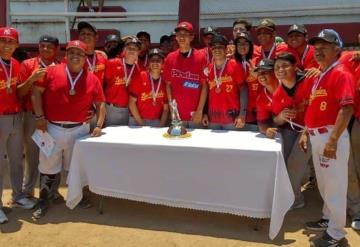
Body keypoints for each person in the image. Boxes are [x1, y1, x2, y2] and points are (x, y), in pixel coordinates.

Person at [31, 40, 106, 219]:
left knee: (75, 167)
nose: (75, 56)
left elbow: (100, 103)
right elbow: (35, 92)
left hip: (79, 130)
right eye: (71, 52)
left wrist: (99, 124)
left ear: (85, 58)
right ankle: (44, 200)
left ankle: (76, 197)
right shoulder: (52, 71)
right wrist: (40, 117)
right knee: (48, 166)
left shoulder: (92, 78)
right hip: (52, 127)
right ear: (66, 55)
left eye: (79, 53)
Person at [299, 29, 355, 247]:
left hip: (331, 136)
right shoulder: (321, 74)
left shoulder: (341, 73)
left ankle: (336, 233)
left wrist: (332, 141)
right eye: (317, 47)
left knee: (335, 186)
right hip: (317, 136)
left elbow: (347, 108)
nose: (319, 50)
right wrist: (305, 132)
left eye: (325, 47)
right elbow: (313, 108)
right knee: (324, 184)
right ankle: (327, 219)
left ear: (337, 49)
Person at [17, 35, 62, 203]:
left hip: (53, 118)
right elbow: (20, 93)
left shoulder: (61, 66)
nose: (45, 49)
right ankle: (27, 191)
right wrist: (31, 79)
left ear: (56, 49)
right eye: (42, 46)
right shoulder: (28, 65)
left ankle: (52, 191)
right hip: (32, 116)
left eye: (49, 47)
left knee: (53, 154)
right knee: (32, 155)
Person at [0, 27, 36, 224]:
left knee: (16, 160)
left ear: (17, 45)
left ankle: (18, 195)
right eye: (3, 41)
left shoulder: (15, 64)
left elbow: (18, 91)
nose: (6, 45)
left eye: (10, 41)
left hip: (16, 117)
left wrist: (30, 80)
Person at [272, 52, 312, 209]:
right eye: (277, 67)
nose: (280, 70)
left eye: (285, 66)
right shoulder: (278, 93)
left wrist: (306, 132)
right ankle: (293, 195)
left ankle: (295, 198)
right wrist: (281, 116)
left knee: (294, 163)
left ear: (295, 67)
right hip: (292, 129)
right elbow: (276, 120)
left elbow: (317, 110)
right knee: (284, 161)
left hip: (312, 129)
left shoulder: (310, 81)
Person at [163, 21, 207, 128]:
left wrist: (200, 110)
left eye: (185, 34)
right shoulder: (170, 57)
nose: (181, 37)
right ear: (176, 38)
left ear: (191, 37)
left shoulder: (201, 57)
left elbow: (205, 86)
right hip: (177, 115)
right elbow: (168, 84)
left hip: (195, 115)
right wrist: (171, 108)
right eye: (179, 35)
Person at [202, 34, 246, 130]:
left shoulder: (235, 65)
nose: (217, 50)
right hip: (213, 118)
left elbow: (243, 89)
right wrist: (204, 113)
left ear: (226, 49)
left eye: (220, 47)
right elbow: (206, 93)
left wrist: (242, 114)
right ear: (211, 50)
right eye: (214, 47)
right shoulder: (208, 68)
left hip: (232, 118)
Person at [103, 37, 142, 126]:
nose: (132, 50)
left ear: (138, 52)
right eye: (129, 48)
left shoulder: (137, 70)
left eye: (135, 49)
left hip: (127, 110)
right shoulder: (112, 63)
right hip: (111, 108)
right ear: (124, 49)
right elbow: (102, 84)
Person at [128, 48, 169, 127]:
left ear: (163, 63)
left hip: (156, 121)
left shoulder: (165, 80)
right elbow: (131, 102)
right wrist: (141, 123)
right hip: (137, 120)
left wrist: (161, 126)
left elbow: (166, 109)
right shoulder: (140, 76)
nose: (155, 63)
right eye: (152, 60)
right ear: (149, 63)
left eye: (158, 61)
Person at [234, 32, 260, 131]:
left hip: (256, 112)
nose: (242, 46)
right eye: (239, 43)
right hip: (237, 113)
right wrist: (241, 114)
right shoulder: (231, 63)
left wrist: (258, 76)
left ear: (250, 45)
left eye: (245, 43)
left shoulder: (258, 61)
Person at [254, 59, 279, 138]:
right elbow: (262, 125)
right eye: (259, 73)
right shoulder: (261, 98)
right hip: (282, 129)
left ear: (274, 72)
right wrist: (266, 130)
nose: (261, 76)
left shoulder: (287, 85)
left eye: (264, 72)